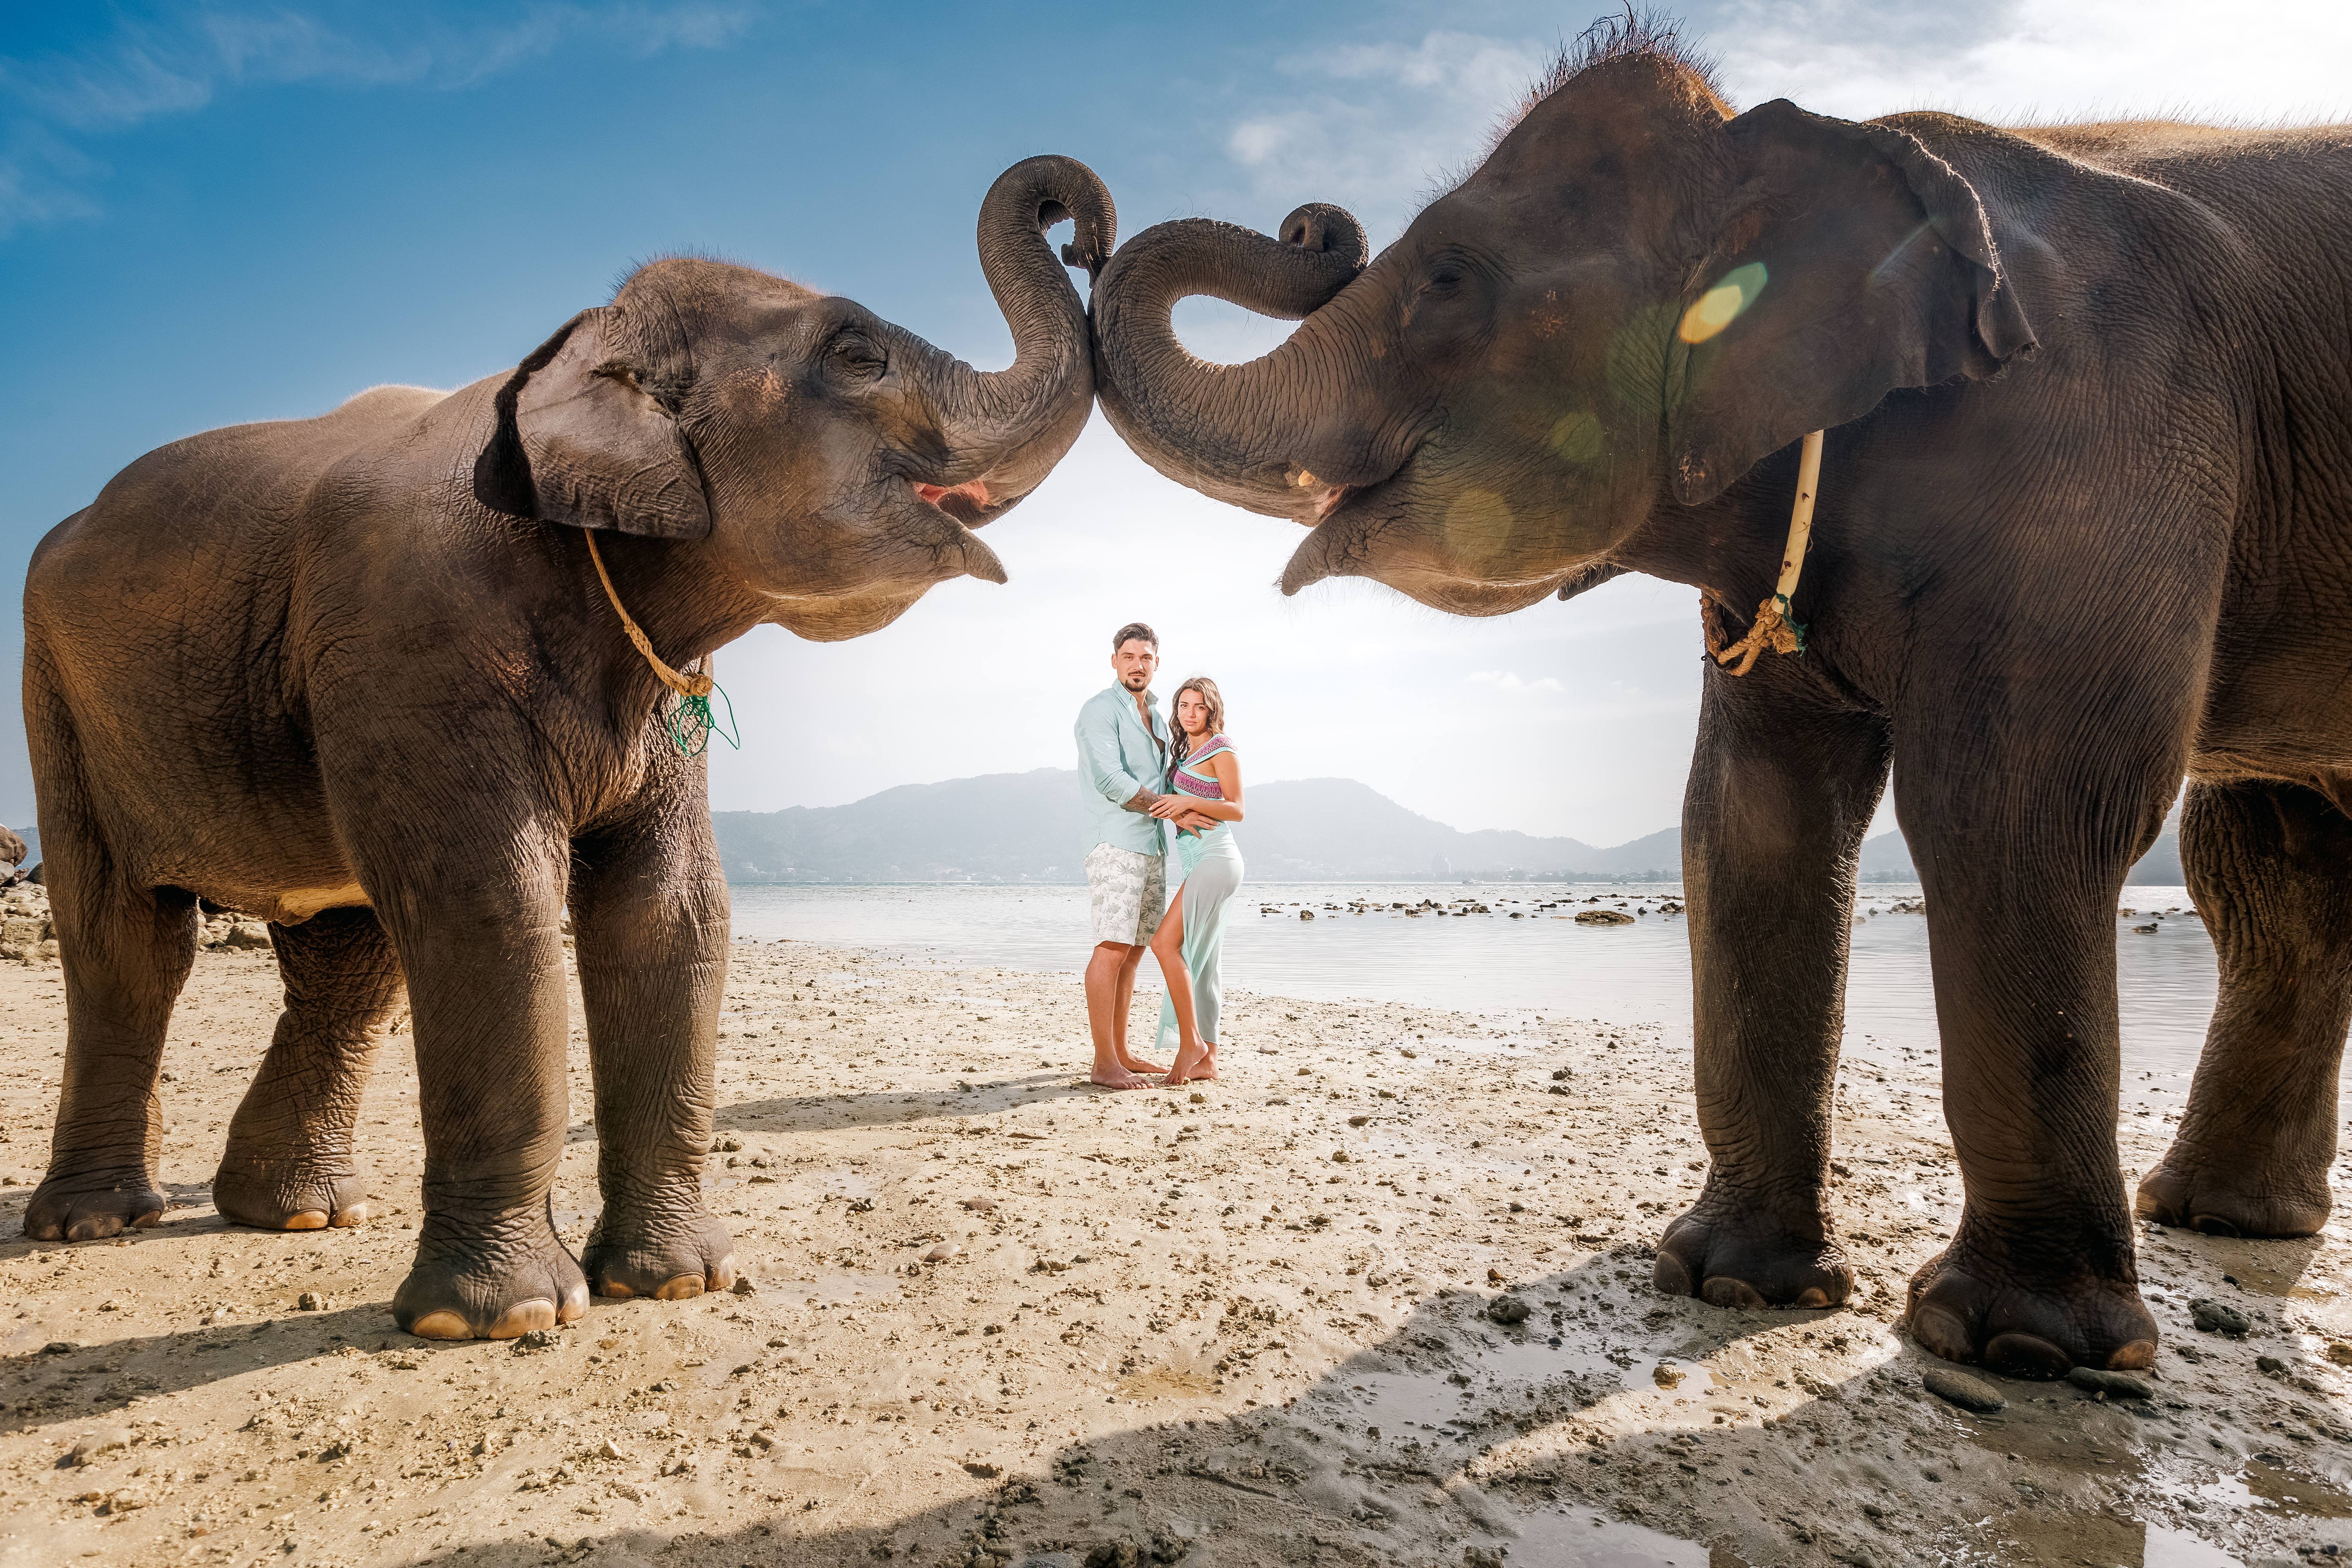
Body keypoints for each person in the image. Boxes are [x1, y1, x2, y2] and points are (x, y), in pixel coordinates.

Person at [1073, 623, 1187, 1088]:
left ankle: (1121, 1052)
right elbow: (1110, 780)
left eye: (1146, 657)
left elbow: (1166, 779)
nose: (1137, 665)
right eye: (1128, 656)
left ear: (1157, 663)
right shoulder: (1099, 710)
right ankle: (1104, 1064)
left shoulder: (1158, 717)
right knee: (1112, 946)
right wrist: (1167, 808)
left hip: (1152, 844)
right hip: (1115, 841)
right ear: (1114, 661)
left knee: (1135, 951)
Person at [1147, 677, 1244, 1085]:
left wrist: (1187, 801)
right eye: (1183, 705)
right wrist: (1180, 811)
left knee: (1163, 944)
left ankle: (1191, 1044)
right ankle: (1209, 1059)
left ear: (1211, 710)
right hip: (1195, 861)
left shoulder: (1222, 748)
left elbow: (1236, 809)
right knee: (1204, 963)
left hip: (1215, 857)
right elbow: (1168, 807)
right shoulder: (1185, 751)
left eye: (1198, 707)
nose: (1189, 713)